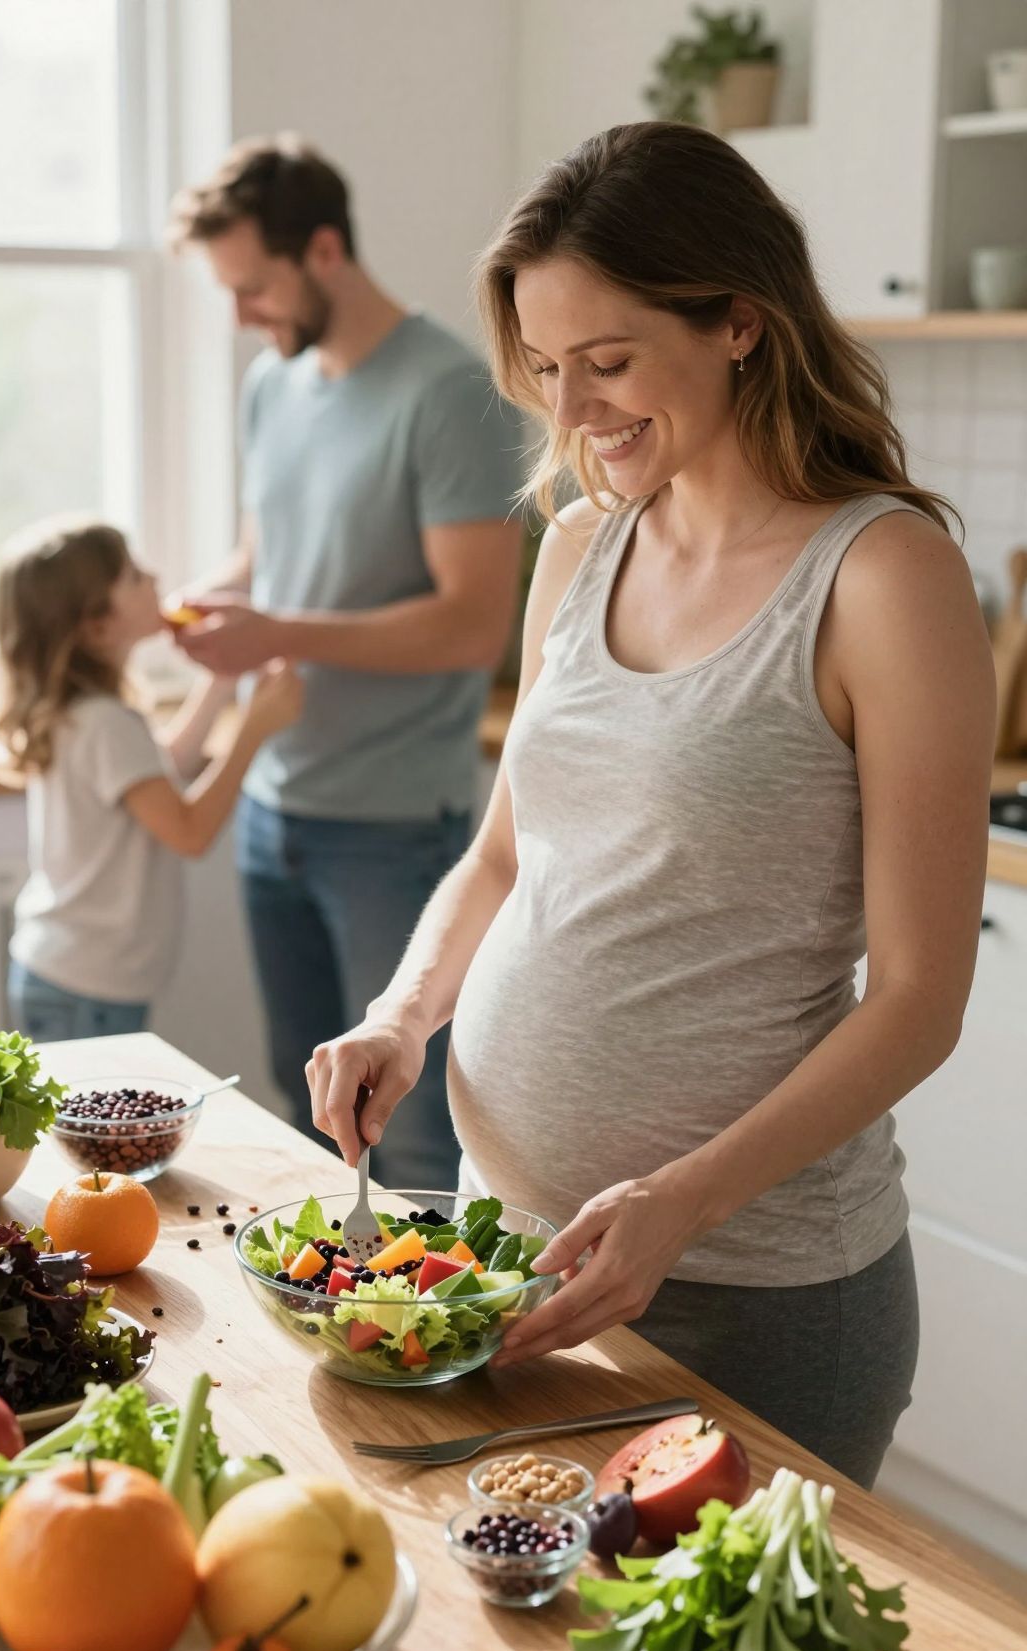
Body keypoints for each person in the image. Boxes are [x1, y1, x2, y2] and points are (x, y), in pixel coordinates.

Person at [305, 121, 995, 1490]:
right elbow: (507, 857)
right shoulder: (580, 542)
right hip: (513, 1260)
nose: (571, 410)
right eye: (549, 368)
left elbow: (921, 996)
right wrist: (401, 1013)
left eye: (608, 362)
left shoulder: (882, 576)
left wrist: (679, 1203)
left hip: (750, 1295)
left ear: (739, 323)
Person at [167, 136, 524, 1190]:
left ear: (324, 249)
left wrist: (278, 630)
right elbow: (264, 557)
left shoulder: (450, 391)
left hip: (394, 830)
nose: (241, 316)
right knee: (301, 1090)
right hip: (275, 808)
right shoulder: (273, 389)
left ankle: (429, 1347)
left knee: (405, 1129)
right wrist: (222, 610)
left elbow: (471, 624)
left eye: (252, 286)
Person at [0, 517, 302, 1041]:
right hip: (85, 992)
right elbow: (189, 831)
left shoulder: (88, 713)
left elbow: (164, 767)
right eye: (135, 576)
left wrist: (221, 680)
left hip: (67, 977)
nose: (155, 577)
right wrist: (252, 731)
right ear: (97, 624)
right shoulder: (107, 724)